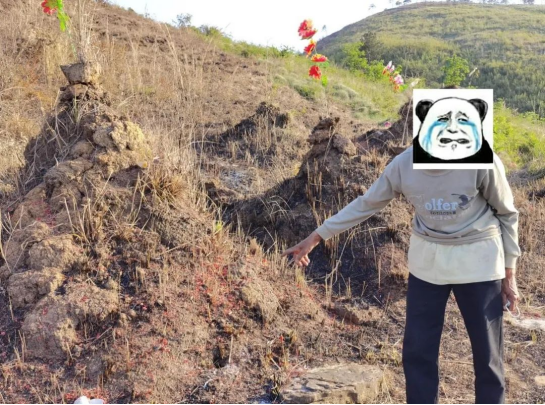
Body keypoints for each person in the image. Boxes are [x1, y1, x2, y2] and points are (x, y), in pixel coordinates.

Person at [282, 136, 521, 404]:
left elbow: (507, 213)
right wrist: (316, 237)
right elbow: (367, 203)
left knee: (488, 356)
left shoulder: (481, 160)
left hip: (478, 260)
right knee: (418, 352)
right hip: (427, 262)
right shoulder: (404, 164)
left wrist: (509, 273)